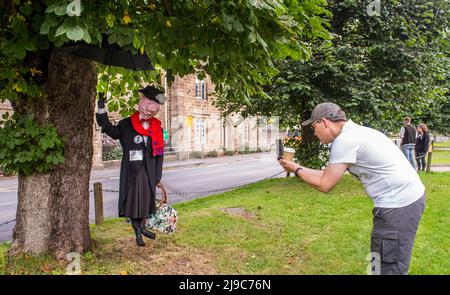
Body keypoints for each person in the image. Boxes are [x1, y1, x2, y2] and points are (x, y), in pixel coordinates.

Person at [278, 102, 426, 275]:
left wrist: (297, 170)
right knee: (378, 264)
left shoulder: (345, 140)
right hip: (404, 202)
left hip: (398, 207)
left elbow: (325, 184)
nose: (314, 133)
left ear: (325, 122)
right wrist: (295, 167)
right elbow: (328, 174)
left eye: (314, 126)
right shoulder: (354, 133)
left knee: (387, 268)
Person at [96, 85, 166, 247]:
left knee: (146, 201)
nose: (152, 108)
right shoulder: (127, 124)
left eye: (156, 104)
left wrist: (158, 176)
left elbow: (159, 154)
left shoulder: (157, 127)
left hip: (149, 171)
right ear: (142, 101)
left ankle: (142, 226)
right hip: (132, 171)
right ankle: (137, 232)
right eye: (149, 101)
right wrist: (101, 109)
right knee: (134, 202)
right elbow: (109, 129)